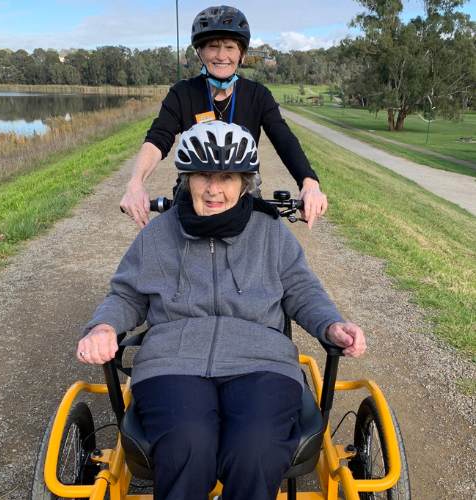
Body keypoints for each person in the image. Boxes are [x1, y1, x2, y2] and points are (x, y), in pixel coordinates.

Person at [79, 122, 366, 500]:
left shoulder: (271, 232)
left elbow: (301, 289)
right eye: (203, 175)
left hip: (260, 360)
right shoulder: (158, 234)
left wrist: (331, 324)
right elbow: (127, 295)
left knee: (256, 448)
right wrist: (102, 327)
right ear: (186, 179)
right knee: (187, 445)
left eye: (227, 177)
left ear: (245, 182)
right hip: (174, 360)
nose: (214, 189)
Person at [120, 5, 328, 230]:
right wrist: (136, 183)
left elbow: (284, 139)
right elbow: (158, 139)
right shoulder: (183, 93)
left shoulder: (258, 95)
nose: (221, 56)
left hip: (243, 186)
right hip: (195, 187)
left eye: (229, 47)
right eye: (212, 47)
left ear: (242, 54)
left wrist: (309, 183)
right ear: (200, 51)